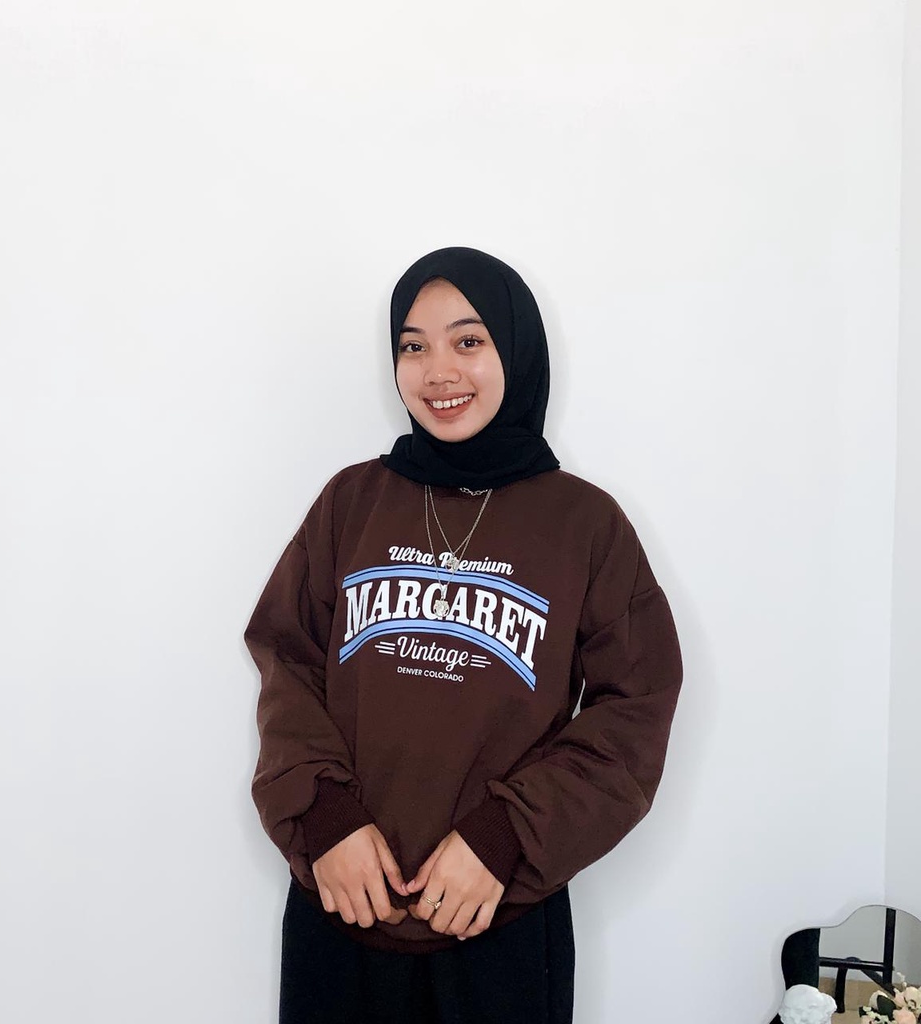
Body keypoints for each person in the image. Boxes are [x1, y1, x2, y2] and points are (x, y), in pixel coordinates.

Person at [245, 246, 683, 1024]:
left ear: (516, 348)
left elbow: (636, 705)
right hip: (340, 903)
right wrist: (323, 816)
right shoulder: (351, 502)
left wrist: (509, 833)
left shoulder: (585, 524)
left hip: (499, 921)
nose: (437, 371)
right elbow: (288, 660)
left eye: (468, 340)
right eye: (413, 346)